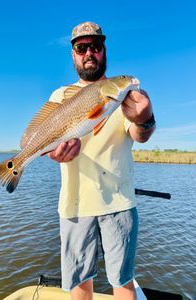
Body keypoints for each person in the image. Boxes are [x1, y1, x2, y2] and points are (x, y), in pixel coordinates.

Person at [47, 21, 156, 300]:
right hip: (74, 204)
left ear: (104, 50)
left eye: (95, 46)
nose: (89, 53)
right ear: (73, 54)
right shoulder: (60, 96)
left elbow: (140, 135)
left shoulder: (126, 96)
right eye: (81, 48)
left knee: (123, 281)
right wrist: (52, 153)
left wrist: (145, 118)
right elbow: (49, 144)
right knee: (79, 283)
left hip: (119, 203)